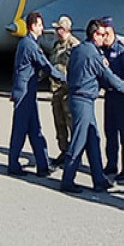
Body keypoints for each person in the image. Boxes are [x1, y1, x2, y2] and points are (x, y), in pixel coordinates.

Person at [61, 19, 124, 193]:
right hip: (83, 100)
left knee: (93, 138)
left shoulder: (79, 49)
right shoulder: (93, 54)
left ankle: (99, 179)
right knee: (79, 141)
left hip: (80, 98)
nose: (104, 38)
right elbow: (107, 76)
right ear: (95, 35)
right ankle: (67, 180)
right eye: (102, 35)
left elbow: (70, 72)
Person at [8, 11, 63, 177]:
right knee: (20, 130)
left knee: (35, 130)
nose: (42, 28)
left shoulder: (26, 42)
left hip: (27, 91)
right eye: (39, 25)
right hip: (25, 92)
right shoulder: (29, 44)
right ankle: (13, 164)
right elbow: (45, 65)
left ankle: (42, 165)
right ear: (32, 26)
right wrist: (65, 78)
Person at [100, 17, 124, 181]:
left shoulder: (122, 51)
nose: (104, 38)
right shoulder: (103, 51)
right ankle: (111, 164)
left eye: (106, 34)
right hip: (109, 96)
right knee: (110, 132)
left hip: (122, 97)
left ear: (112, 32)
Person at [47, 15, 80, 165]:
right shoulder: (56, 45)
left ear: (66, 29)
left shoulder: (74, 45)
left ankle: (75, 153)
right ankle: (64, 150)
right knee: (59, 122)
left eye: (59, 28)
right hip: (56, 90)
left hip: (67, 90)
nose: (56, 31)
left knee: (70, 122)